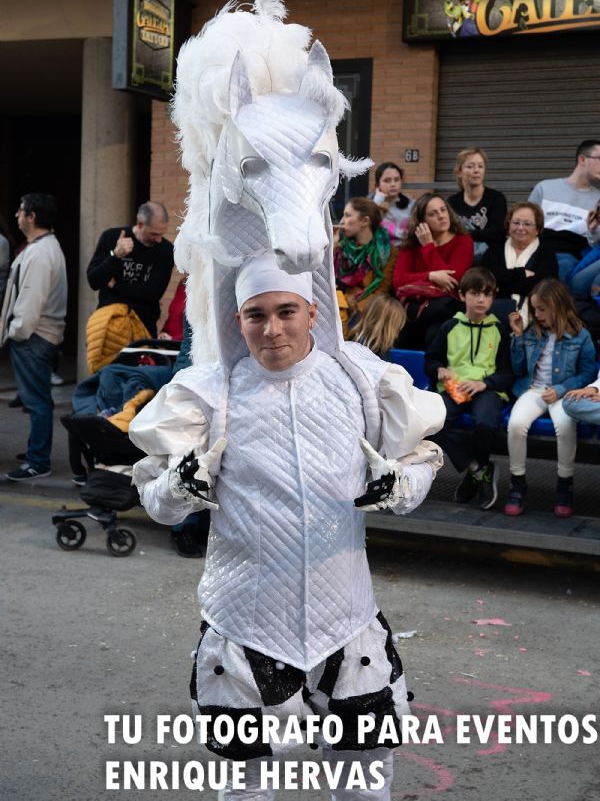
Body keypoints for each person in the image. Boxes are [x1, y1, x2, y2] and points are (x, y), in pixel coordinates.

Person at [129, 251, 445, 798]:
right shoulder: (210, 393)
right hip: (244, 621)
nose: (272, 329)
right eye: (257, 315)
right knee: (248, 782)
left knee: (364, 775)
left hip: (346, 619)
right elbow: (157, 502)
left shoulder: (361, 381)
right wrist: (180, 486)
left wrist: (398, 486)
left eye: (286, 311)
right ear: (238, 321)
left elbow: (421, 461)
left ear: (313, 312)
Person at [505, 278, 597, 518]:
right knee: (515, 424)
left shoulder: (580, 335)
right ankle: (517, 482)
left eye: (542, 309)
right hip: (534, 389)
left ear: (558, 306)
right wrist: (516, 337)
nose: (537, 314)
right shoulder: (531, 332)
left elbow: (587, 372)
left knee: (565, 426)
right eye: (534, 309)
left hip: (564, 393)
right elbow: (518, 369)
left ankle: (565, 485)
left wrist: (562, 388)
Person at [426, 267, 513, 510]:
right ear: (463, 295)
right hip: (455, 388)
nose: (481, 300)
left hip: (487, 388)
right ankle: (477, 469)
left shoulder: (499, 330)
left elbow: (507, 373)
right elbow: (431, 360)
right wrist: (439, 370)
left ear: (493, 298)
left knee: (485, 422)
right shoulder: (450, 326)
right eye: (475, 293)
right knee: (433, 420)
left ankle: (475, 477)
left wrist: (485, 383)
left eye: (487, 295)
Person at [0, 193, 67, 480]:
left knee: (36, 401)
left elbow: (29, 302)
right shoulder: (42, 247)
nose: (16, 215)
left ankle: (38, 462)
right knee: (38, 399)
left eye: (21, 210)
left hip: (34, 337)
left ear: (33, 217)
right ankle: (35, 452)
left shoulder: (40, 253)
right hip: (39, 337)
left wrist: (14, 332)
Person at [392, 192, 474, 349]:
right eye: (433, 214)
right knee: (400, 335)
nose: (441, 216)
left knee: (434, 334)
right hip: (414, 309)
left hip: (444, 312)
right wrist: (432, 276)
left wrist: (428, 247)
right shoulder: (411, 245)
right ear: (422, 222)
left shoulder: (463, 241)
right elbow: (398, 281)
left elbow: (452, 282)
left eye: (443, 210)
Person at [86, 201, 174, 337]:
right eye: (154, 234)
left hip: (143, 327)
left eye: (162, 234)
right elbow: (94, 281)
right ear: (140, 224)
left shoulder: (165, 250)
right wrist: (115, 256)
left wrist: (115, 286)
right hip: (109, 326)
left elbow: (152, 294)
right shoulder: (111, 237)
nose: (158, 240)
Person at [529, 139, 600, 281]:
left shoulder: (598, 199)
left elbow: (595, 247)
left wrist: (592, 230)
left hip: (571, 257)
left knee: (560, 268)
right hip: (536, 251)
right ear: (582, 160)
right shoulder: (545, 188)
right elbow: (524, 222)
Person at [480, 202, 558, 326]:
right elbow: (485, 278)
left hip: (535, 317)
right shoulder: (495, 250)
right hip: (493, 314)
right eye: (516, 222)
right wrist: (521, 273)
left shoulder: (546, 252)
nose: (520, 228)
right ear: (508, 225)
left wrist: (500, 287)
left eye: (527, 224)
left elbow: (542, 286)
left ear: (537, 229)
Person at [334, 197, 398, 333]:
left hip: (366, 309)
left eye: (347, 215)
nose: (341, 221)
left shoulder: (387, 252)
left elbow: (381, 291)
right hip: (338, 304)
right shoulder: (339, 246)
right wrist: (332, 248)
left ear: (364, 221)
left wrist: (354, 303)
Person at [447, 147, 507, 258]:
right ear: (459, 172)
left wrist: (464, 233)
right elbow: (448, 234)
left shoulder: (496, 198)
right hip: (460, 257)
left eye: (480, 166)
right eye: (470, 166)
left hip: (490, 259)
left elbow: (498, 233)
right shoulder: (452, 202)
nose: (476, 170)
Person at [370, 161, 414, 244]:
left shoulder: (412, 205)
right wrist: (378, 200)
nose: (393, 184)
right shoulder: (370, 205)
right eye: (387, 181)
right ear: (377, 185)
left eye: (397, 180)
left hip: (406, 251)